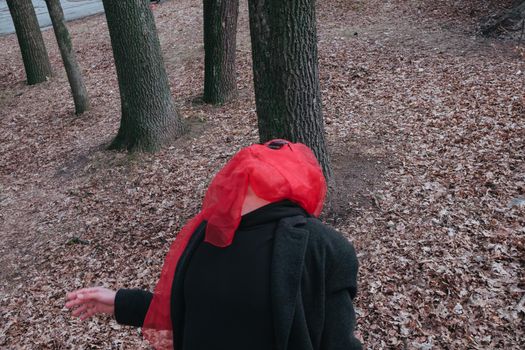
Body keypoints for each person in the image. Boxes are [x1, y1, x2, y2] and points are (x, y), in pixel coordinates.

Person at [66, 140, 362, 350]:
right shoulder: (209, 234)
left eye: (252, 177)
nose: (232, 183)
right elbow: (190, 312)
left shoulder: (323, 249)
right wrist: (118, 301)